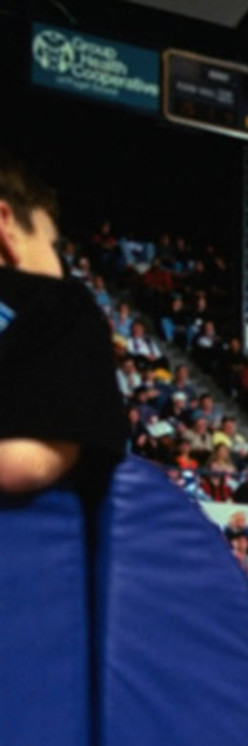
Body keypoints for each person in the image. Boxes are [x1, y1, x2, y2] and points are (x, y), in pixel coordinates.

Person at [0, 154, 125, 494]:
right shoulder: (63, 305)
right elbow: (23, 463)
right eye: (53, 245)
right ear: (5, 225)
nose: (60, 264)